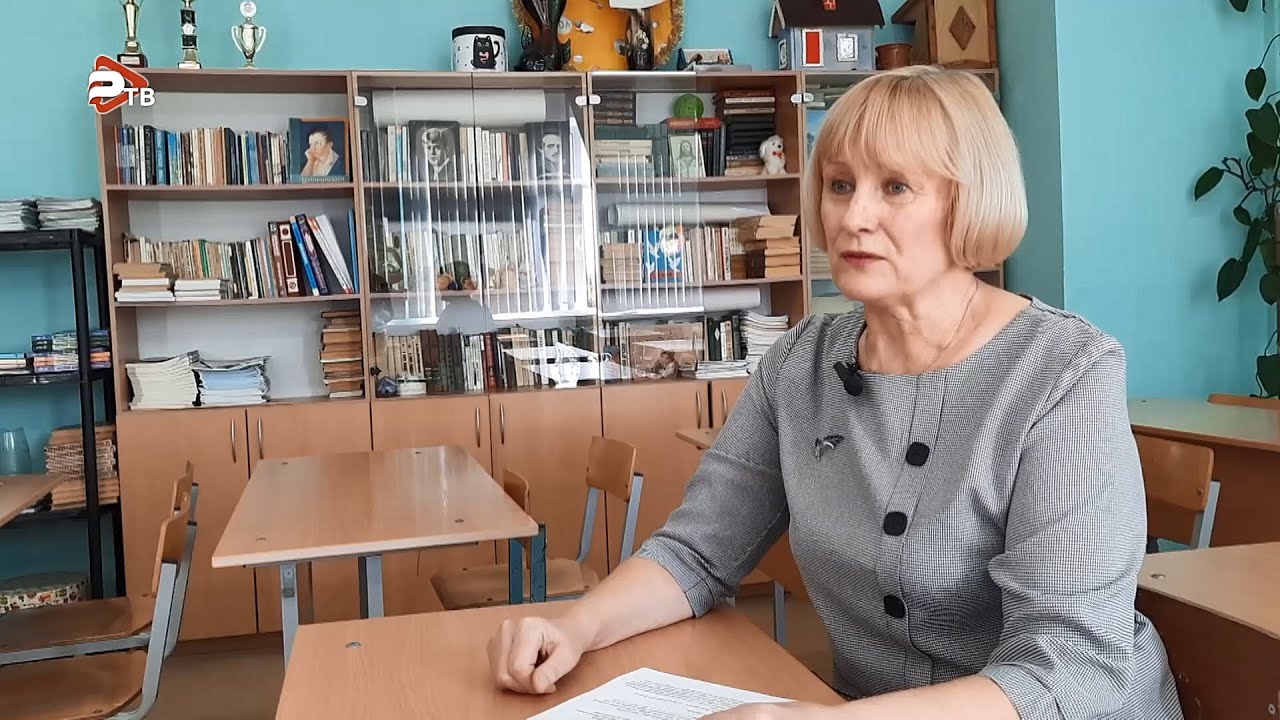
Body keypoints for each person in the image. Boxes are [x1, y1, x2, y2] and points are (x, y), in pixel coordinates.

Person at [487, 65, 1184, 719]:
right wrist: (573, 627)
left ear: (969, 201)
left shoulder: (1064, 371)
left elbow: (1065, 671)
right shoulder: (801, 362)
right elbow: (697, 552)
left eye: (896, 187)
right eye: (841, 185)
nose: (854, 217)